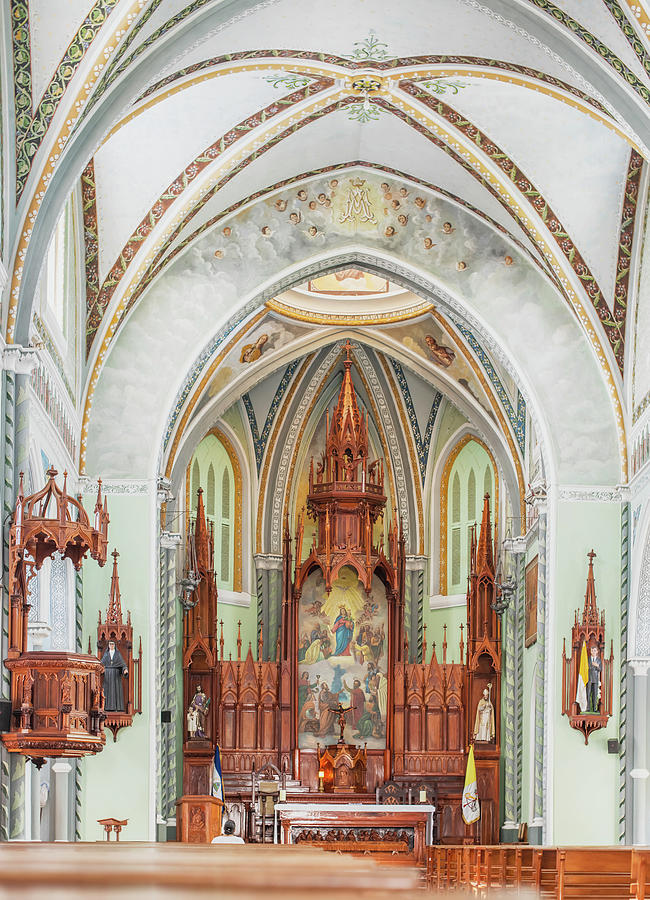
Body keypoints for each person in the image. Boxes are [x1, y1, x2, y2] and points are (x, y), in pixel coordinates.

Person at [100, 640, 128, 713]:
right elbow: (101, 664)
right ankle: (106, 707)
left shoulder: (118, 654)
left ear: (114, 645)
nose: (111, 646)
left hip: (116, 675)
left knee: (116, 690)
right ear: (108, 646)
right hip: (107, 675)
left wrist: (125, 670)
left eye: (113, 644)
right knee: (107, 691)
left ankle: (117, 707)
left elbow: (123, 664)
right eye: (110, 644)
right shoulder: (106, 654)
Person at [587, 645, 602, 713]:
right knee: (588, 693)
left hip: (595, 679)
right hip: (588, 678)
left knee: (595, 694)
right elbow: (585, 668)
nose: (593, 652)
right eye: (592, 650)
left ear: (597, 651)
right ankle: (588, 708)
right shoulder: (587, 659)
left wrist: (597, 666)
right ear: (590, 651)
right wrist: (591, 666)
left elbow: (600, 669)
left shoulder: (599, 660)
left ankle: (594, 708)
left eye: (595, 650)